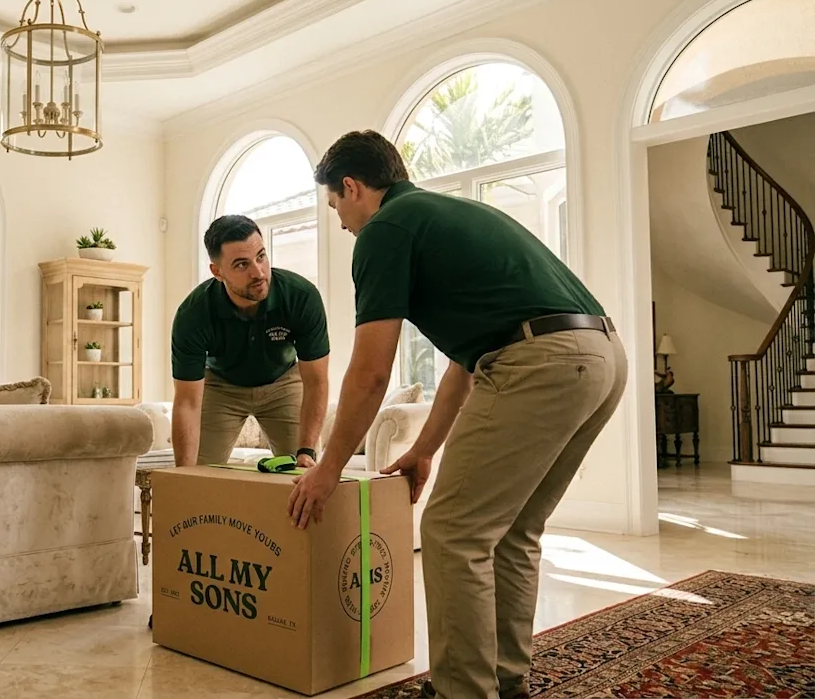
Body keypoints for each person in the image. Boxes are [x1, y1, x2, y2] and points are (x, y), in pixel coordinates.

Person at [287, 130, 628, 699]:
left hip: (541, 362)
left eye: (335, 208)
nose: (342, 224)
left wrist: (327, 468)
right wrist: (424, 449)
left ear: (352, 187)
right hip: (599, 357)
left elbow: (371, 372)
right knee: (513, 531)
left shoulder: (386, 230)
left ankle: (462, 692)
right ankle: (503, 680)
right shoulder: (446, 213)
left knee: (451, 532)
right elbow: (466, 366)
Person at [169, 214, 332, 468]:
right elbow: (187, 402)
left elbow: (317, 382)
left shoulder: (301, 297)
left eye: (261, 256)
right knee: (199, 476)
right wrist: (186, 478)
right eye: (242, 265)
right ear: (217, 271)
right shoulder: (193, 314)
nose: (259, 272)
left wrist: (307, 451)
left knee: (302, 474)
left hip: (284, 381)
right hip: (222, 386)